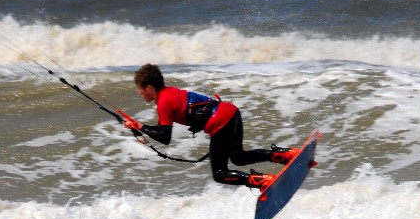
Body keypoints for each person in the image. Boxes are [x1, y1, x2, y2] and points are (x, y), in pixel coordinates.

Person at [122, 63, 298, 191]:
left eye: (140, 89)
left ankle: (262, 181)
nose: (139, 93)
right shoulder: (171, 92)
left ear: (150, 87)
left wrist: (139, 125)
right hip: (231, 111)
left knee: (220, 173)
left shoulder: (163, 102)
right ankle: (284, 155)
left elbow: (164, 136)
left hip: (220, 121)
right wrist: (140, 127)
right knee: (238, 157)